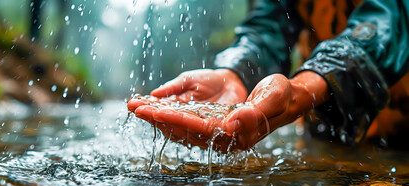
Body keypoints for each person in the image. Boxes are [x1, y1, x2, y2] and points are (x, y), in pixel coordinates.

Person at [128, 0, 409, 152]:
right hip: (328, 125)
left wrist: (301, 90)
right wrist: (234, 73)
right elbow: (267, 27)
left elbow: (391, 22)